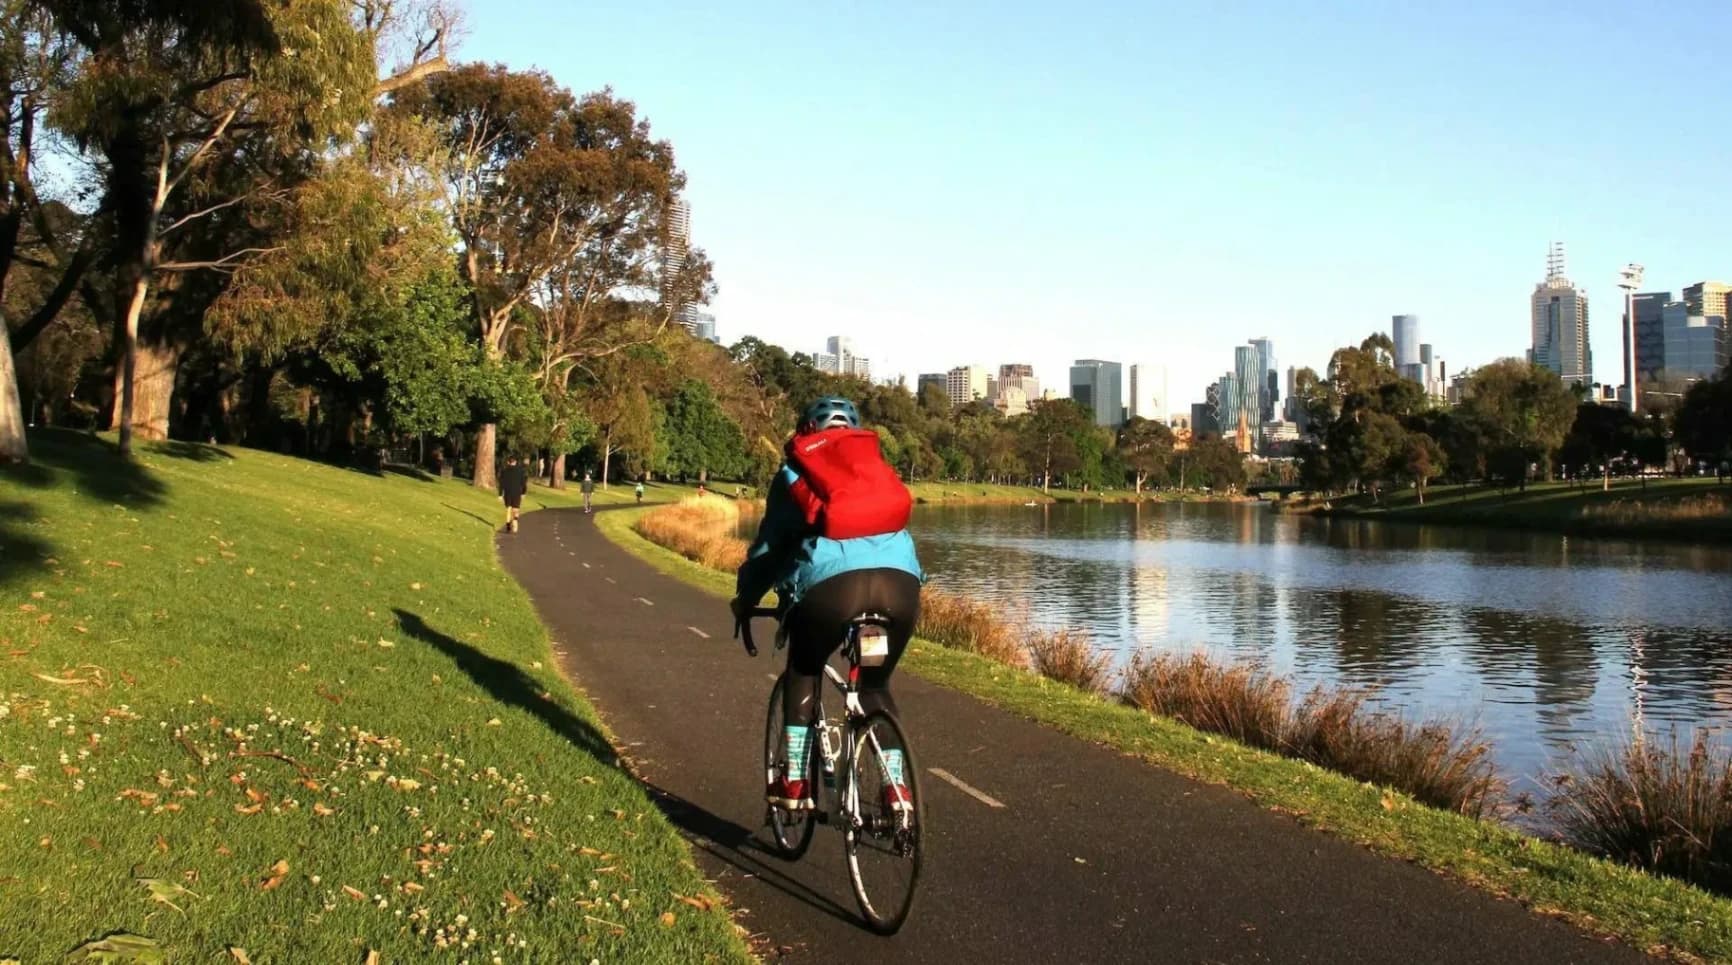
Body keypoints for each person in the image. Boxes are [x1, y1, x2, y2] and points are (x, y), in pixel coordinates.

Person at [731, 397, 923, 814]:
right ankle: (898, 793)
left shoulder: (795, 472)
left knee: (804, 668)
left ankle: (795, 782)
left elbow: (769, 550)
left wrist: (746, 599)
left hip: (832, 593)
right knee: (873, 687)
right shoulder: (876, 470)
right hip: (901, 590)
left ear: (805, 432)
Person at [499, 455, 528, 533]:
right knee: (516, 509)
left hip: (508, 492)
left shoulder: (504, 471)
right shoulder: (520, 471)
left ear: (508, 462)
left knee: (508, 509)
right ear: (515, 462)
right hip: (517, 492)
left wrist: (500, 494)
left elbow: (501, 483)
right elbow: (523, 483)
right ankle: (515, 520)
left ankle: (508, 525)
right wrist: (524, 492)